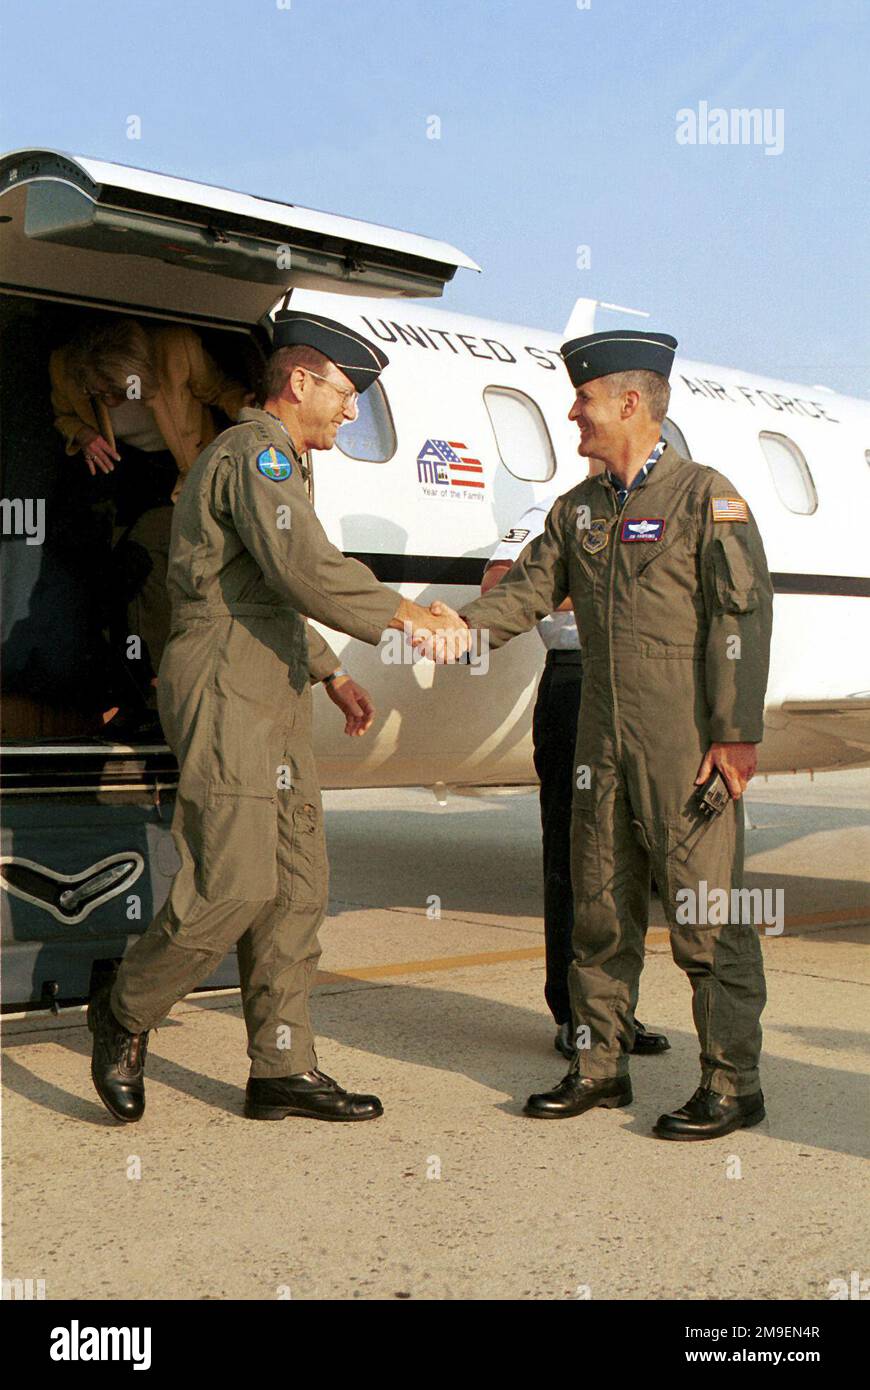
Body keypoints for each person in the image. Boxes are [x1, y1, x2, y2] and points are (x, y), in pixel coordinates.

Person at [87, 310, 466, 1125]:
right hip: (226, 683)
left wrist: (329, 674)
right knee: (234, 883)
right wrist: (405, 617)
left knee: (296, 889)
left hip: (275, 679)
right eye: (345, 394)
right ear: (301, 382)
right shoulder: (254, 455)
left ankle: (282, 1068)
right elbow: (303, 567)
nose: (350, 411)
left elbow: (265, 585)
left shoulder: (285, 463)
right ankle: (123, 1006)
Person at [442, 329, 773, 1141]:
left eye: (584, 400)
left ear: (630, 403)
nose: (572, 413)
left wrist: (733, 734)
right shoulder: (577, 511)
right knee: (598, 907)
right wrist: (454, 628)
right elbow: (524, 592)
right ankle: (598, 1066)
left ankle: (734, 1084)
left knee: (708, 915)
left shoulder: (706, 498)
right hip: (600, 738)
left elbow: (742, 619)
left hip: (682, 741)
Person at [484, 477, 670, 1062]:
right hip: (578, 678)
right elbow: (497, 585)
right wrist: (606, 587)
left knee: (628, 857)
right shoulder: (553, 509)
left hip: (646, 683)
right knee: (574, 854)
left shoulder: (662, 508)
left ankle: (614, 1012)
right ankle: (575, 1015)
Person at [50, 318, 250, 732]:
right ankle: (133, 692)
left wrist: (258, 418)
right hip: (126, 474)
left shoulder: (177, 350)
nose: (108, 398)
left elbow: (219, 391)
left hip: (182, 473)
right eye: (99, 393)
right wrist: (84, 434)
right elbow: (63, 413)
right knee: (111, 585)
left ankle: (163, 691)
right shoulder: (64, 365)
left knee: (148, 568)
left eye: (118, 391)